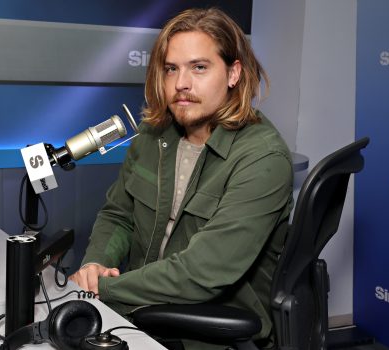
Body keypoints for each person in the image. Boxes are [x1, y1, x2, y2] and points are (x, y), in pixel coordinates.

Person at [70, 7, 293, 349]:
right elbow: (119, 215)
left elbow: (204, 271)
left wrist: (105, 289)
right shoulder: (151, 135)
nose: (181, 84)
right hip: (138, 314)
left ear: (234, 73)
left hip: (206, 334)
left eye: (199, 68)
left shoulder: (263, 158)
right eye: (171, 69)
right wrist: (95, 265)